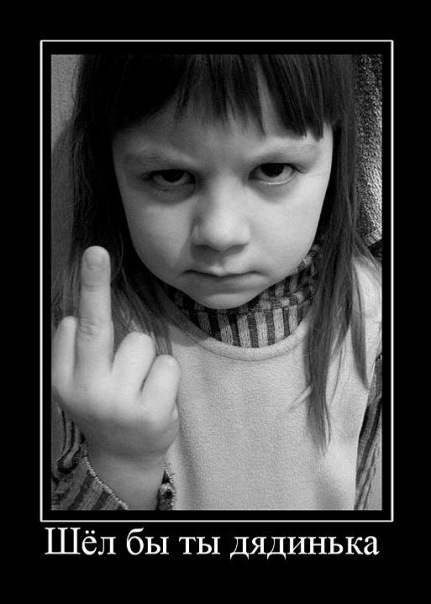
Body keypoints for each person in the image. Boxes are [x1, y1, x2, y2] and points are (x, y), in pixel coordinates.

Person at [51, 53, 382, 511]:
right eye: (171, 176)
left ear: (338, 153)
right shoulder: (93, 334)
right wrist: (122, 461)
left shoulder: (371, 314)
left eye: (272, 169)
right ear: (108, 170)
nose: (221, 233)